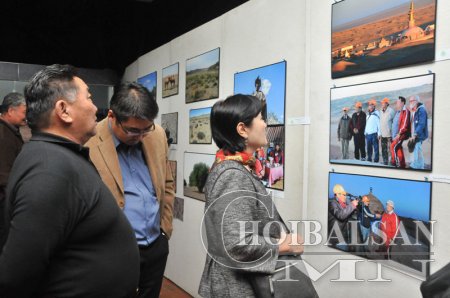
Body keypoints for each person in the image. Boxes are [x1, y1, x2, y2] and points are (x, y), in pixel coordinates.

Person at [0, 64, 140, 297]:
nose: (96, 107)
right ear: (63, 110)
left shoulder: (54, 157)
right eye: (89, 97)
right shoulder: (49, 171)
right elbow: (15, 277)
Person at [198, 94, 303, 297]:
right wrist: (284, 244)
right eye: (261, 118)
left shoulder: (237, 167)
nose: (265, 124)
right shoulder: (232, 175)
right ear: (242, 129)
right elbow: (235, 245)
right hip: (236, 288)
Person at [86, 82, 174, 298]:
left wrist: (165, 229)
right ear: (112, 116)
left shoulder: (157, 134)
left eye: (147, 128)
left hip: (155, 245)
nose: (142, 136)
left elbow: (168, 183)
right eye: (134, 130)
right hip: (114, 252)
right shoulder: (87, 141)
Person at [0, 92, 27, 239]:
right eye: (24, 112)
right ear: (10, 111)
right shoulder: (3, 135)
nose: (26, 116)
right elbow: (3, 175)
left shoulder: (9, 131)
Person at [328, 184, 358, 250]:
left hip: (343, 233)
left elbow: (348, 213)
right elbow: (341, 215)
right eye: (344, 195)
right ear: (338, 195)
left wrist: (353, 206)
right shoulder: (332, 203)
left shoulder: (342, 203)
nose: (345, 197)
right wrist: (352, 205)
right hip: (336, 235)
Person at [390, 96, 411, 168]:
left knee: (393, 146)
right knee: (398, 149)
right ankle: (402, 165)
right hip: (395, 135)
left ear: (402, 103)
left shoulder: (405, 111)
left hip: (400, 135)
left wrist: (399, 134)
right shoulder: (398, 111)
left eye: (398, 102)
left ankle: (394, 163)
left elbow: (405, 124)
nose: (397, 103)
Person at [408, 95, 428, 169]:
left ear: (416, 101)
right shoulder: (415, 110)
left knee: (416, 148)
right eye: (410, 101)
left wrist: (415, 133)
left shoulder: (421, 110)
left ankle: (415, 165)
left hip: (418, 134)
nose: (410, 102)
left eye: (412, 101)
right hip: (414, 134)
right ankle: (420, 166)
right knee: (418, 149)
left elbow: (421, 124)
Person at [380, 97, 395, 165]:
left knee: (391, 150)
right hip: (383, 134)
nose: (382, 104)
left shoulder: (391, 111)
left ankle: (392, 162)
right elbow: (381, 122)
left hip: (389, 135)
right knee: (384, 150)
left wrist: (392, 132)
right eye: (382, 103)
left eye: (383, 103)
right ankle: (385, 162)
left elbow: (394, 122)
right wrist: (380, 133)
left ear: (386, 103)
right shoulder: (381, 111)